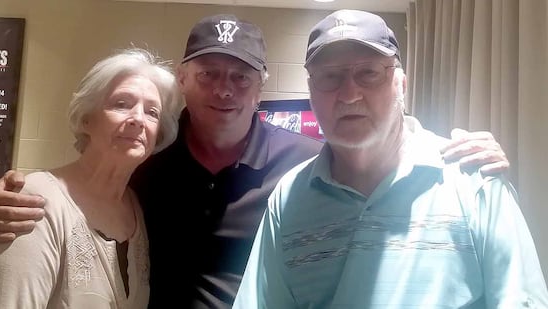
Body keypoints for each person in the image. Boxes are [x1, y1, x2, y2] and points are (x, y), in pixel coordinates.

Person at [0, 14, 511, 309]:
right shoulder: (148, 160)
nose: (223, 89)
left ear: (261, 88)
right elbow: (75, 190)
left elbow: (376, 151)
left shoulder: (307, 164)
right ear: (183, 79)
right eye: (208, 73)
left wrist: (446, 149)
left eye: (240, 77)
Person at [233, 10, 548, 308]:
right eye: (330, 77)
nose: (349, 94)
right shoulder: (289, 199)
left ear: (401, 85)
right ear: (311, 90)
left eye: (369, 73)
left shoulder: (474, 182)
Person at [0, 48, 182, 308]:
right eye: (122, 104)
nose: (138, 119)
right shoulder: (34, 201)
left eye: (152, 112)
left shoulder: (136, 208)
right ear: (87, 119)